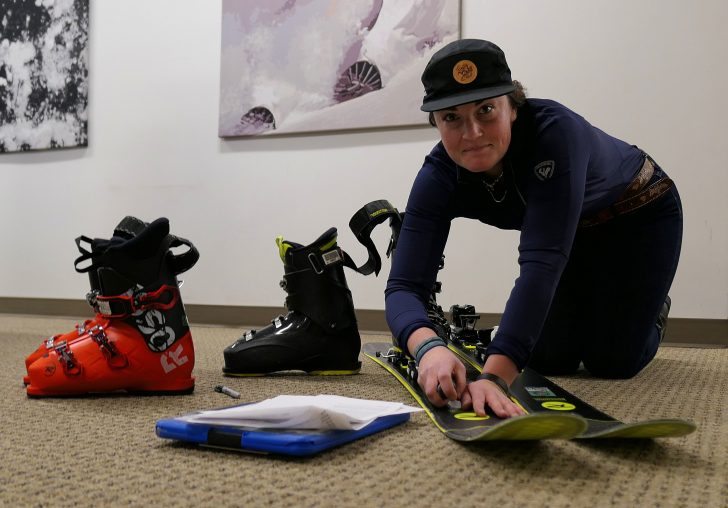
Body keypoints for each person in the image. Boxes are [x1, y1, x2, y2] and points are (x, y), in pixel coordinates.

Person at [385, 39, 682, 418]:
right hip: (573, 235)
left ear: (513, 106)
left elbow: (541, 265)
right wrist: (428, 348)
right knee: (549, 356)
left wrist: (494, 379)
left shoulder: (554, 134)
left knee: (613, 360)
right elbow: (404, 286)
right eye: (452, 117)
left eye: (486, 110)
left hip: (639, 215)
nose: (472, 133)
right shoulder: (439, 175)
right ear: (436, 123)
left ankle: (653, 310)